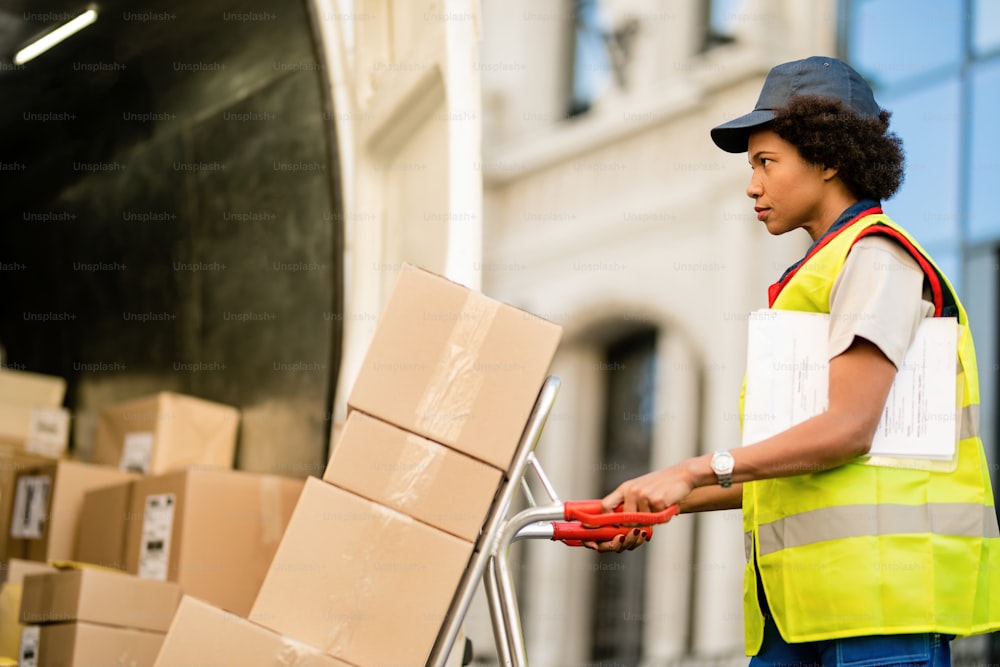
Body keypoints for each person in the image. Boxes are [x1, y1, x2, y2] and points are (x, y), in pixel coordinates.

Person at [587, 56, 1000, 666]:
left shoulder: (876, 258)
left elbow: (846, 430)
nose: (751, 185)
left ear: (829, 157)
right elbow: (793, 466)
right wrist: (661, 498)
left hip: (880, 608)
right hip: (807, 608)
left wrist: (694, 470)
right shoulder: (823, 271)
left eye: (765, 162)